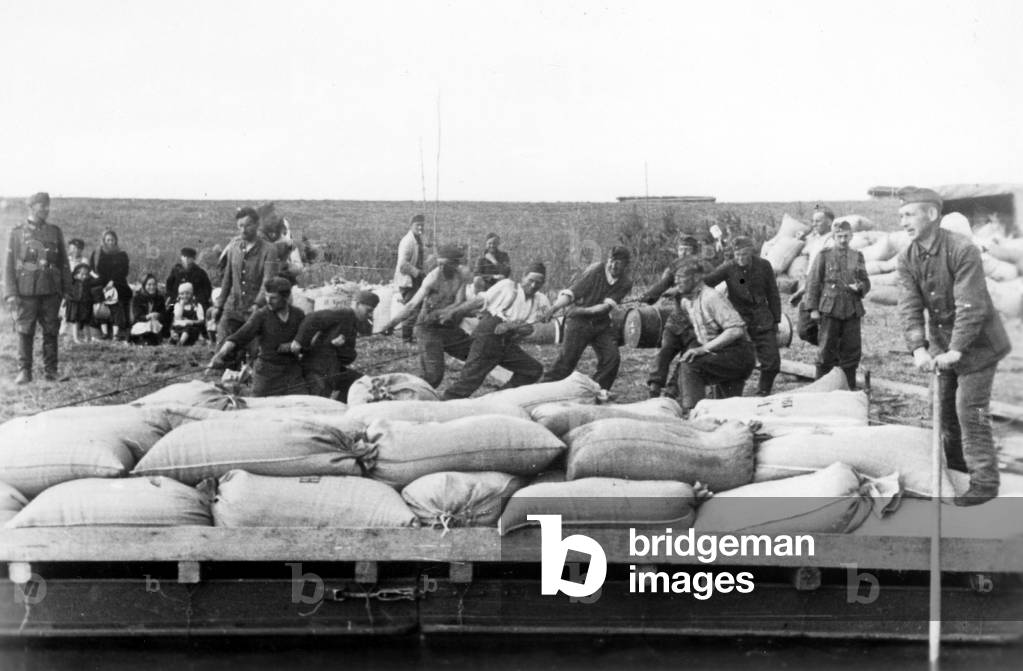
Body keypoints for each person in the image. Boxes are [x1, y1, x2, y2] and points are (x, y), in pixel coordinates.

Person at [896, 186, 1011, 506]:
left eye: (909, 214)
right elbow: (908, 306)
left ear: (932, 214)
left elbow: (970, 306)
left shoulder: (962, 250)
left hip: (980, 346)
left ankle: (985, 482)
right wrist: (918, 347)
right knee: (943, 407)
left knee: (970, 410)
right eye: (901, 215)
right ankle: (959, 469)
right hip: (943, 345)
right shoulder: (907, 257)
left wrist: (957, 349)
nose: (903, 222)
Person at [443, 262, 551, 399]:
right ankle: (444, 403)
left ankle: (497, 399)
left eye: (538, 283)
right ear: (523, 277)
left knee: (532, 370)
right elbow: (479, 300)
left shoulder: (540, 300)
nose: (533, 285)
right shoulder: (508, 286)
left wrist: (518, 327)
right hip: (488, 336)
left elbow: (531, 328)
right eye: (531, 280)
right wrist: (453, 312)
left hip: (507, 342)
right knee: (469, 381)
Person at [539, 246, 634, 390]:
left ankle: (597, 391)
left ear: (626, 265)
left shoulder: (626, 282)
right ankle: (543, 390)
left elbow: (604, 308)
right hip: (579, 323)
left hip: (600, 324)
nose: (613, 265)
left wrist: (577, 310)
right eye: (611, 260)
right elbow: (573, 293)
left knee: (612, 359)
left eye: (618, 262)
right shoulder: (596, 270)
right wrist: (553, 309)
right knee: (566, 363)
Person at [382, 243, 474, 388]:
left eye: (445, 264)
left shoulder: (460, 276)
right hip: (428, 328)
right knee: (433, 376)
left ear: (455, 264)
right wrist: (392, 324)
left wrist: (443, 312)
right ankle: (407, 392)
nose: (441, 268)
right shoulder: (432, 278)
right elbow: (412, 305)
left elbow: (459, 302)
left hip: (448, 328)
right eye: (439, 264)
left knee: (475, 353)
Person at [4, 192, 72, 383]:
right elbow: (9, 265)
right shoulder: (17, 233)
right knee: (25, 330)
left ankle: (51, 371)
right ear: (32, 207)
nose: (46, 209)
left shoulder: (54, 232)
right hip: (26, 291)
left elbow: (63, 262)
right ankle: (24, 371)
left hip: (51, 289)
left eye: (48, 206)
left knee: (51, 330)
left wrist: (67, 290)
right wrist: (11, 293)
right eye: (42, 206)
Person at [674, 259, 756, 414]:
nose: (676, 281)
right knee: (726, 411)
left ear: (696, 277)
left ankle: (694, 412)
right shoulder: (687, 301)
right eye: (675, 277)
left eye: (681, 276)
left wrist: (703, 349)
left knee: (691, 365)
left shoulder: (711, 297)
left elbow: (736, 329)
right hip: (721, 354)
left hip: (739, 354)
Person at [703, 236, 782, 396]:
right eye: (737, 255)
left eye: (744, 254)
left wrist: (776, 319)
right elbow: (706, 283)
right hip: (738, 320)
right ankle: (722, 394)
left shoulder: (764, 266)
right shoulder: (728, 267)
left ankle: (763, 391)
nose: (740, 258)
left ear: (751, 252)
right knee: (731, 359)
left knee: (772, 361)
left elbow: (773, 293)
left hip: (761, 317)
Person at [209, 277, 307, 397]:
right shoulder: (261, 315)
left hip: (292, 372)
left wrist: (293, 345)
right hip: (266, 373)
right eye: (266, 296)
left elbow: (306, 339)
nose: (268, 301)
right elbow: (239, 336)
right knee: (257, 404)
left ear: (285, 297)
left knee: (303, 403)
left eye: (273, 298)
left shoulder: (298, 315)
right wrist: (220, 355)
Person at [209, 207, 280, 369]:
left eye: (247, 225)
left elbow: (268, 281)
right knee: (222, 352)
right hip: (232, 306)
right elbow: (227, 278)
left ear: (257, 225)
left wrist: (258, 304)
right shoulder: (234, 247)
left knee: (255, 357)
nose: (243, 229)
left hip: (255, 309)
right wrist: (219, 305)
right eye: (240, 226)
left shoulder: (269, 250)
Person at [804, 219, 871, 389]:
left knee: (851, 351)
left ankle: (848, 389)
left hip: (852, 309)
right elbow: (813, 282)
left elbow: (866, 281)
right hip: (830, 309)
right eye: (839, 236)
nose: (843, 240)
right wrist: (813, 309)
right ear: (833, 237)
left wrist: (860, 287)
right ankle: (820, 389)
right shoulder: (824, 255)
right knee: (826, 350)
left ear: (851, 236)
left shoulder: (857, 256)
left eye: (846, 236)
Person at [639, 235, 700, 398]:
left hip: (697, 323)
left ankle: (673, 390)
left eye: (687, 249)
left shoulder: (703, 267)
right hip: (676, 320)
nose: (683, 253)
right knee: (665, 350)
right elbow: (663, 284)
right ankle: (655, 385)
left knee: (688, 358)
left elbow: (707, 283)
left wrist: (678, 290)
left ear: (695, 251)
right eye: (681, 249)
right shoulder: (674, 267)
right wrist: (649, 296)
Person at [291, 290, 378, 400]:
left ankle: (342, 405)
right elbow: (312, 318)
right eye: (368, 310)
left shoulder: (354, 322)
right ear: (357, 304)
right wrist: (299, 341)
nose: (370, 314)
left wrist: (340, 347)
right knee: (319, 400)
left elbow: (347, 358)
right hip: (317, 370)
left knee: (361, 382)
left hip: (333, 369)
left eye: (372, 311)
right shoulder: (343, 313)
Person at [90, 229, 132, 340]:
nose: (110, 242)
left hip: (117, 282)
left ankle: (117, 332)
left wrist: (113, 280)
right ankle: (102, 331)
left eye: (112, 240)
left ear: (115, 241)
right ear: (104, 241)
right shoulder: (97, 253)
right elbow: (92, 268)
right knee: (100, 302)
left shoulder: (121, 254)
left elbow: (124, 270)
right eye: (108, 240)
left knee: (116, 304)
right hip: (101, 282)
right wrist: (101, 280)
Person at [393, 214, 427, 343]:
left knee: (416, 307)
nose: (420, 228)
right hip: (408, 280)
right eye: (417, 225)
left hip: (415, 279)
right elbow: (403, 265)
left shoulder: (417, 239)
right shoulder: (407, 241)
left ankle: (408, 335)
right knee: (412, 309)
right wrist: (418, 273)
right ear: (411, 226)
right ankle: (406, 338)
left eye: (422, 225)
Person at [129, 274, 170, 345]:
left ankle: (150, 340)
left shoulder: (160, 298)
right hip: (141, 323)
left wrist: (158, 315)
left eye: (154, 284)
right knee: (145, 327)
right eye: (149, 284)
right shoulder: (137, 298)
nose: (152, 287)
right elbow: (137, 316)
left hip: (156, 324)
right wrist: (148, 316)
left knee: (155, 325)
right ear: (144, 286)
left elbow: (163, 315)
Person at [66, 262, 95, 343]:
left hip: (86, 303)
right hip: (75, 303)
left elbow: (98, 281)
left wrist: (92, 274)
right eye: (81, 274)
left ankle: (88, 338)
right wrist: (70, 297)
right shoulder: (73, 281)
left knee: (86, 321)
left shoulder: (89, 281)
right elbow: (67, 288)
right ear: (76, 274)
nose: (84, 276)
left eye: (86, 274)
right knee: (75, 321)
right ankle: (76, 339)